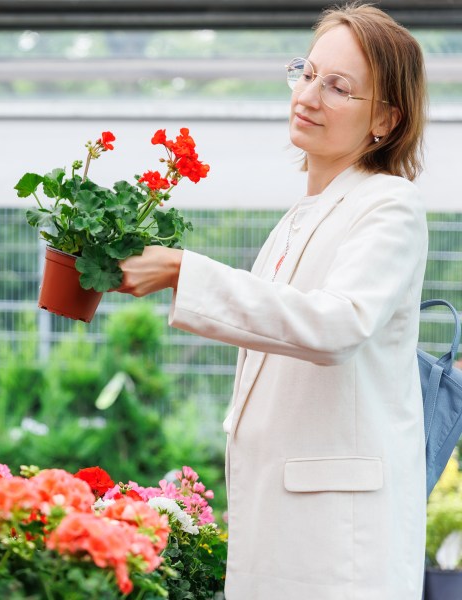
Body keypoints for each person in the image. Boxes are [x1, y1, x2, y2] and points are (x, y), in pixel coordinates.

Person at [116, 4, 428, 599]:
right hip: (278, 520)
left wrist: (186, 270)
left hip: (340, 543)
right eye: (307, 73)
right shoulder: (295, 219)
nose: (309, 95)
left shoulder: (390, 205)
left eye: (338, 86)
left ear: (385, 119)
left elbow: (338, 324)